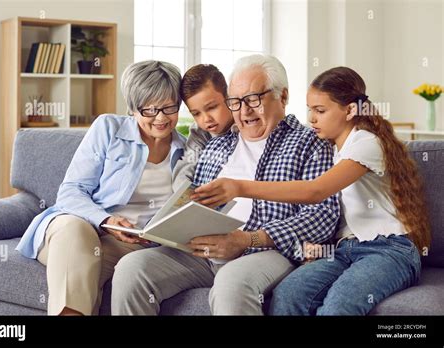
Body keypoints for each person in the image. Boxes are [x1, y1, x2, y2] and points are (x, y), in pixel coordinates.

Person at [110, 54, 340, 315]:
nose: (244, 111)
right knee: (132, 269)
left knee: (231, 284)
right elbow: (191, 193)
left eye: (254, 99)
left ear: (283, 97)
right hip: (203, 250)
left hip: (265, 251)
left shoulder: (310, 143)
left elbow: (322, 216)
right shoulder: (217, 143)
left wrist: (246, 239)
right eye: (236, 102)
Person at [192, 66, 431, 315]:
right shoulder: (332, 147)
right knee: (289, 294)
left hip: (389, 250)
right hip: (344, 249)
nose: (311, 119)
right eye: (310, 110)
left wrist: (239, 187)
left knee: (340, 304)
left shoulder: (366, 143)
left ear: (350, 110)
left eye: (320, 110)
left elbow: (316, 192)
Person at [16, 60, 186, 316]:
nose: (161, 118)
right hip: (78, 227)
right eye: (149, 110)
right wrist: (106, 220)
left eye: (169, 107)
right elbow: (71, 191)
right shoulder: (109, 128)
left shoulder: (186, 149)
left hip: (135, 245)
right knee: (77, 234)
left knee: (85, 272)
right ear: (132, 109)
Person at [172, 64, 234, 191]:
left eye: (211, 107)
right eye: (196, 113)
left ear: (229, 97)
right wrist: (186, 194)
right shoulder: (199, 132)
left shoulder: (246, 125)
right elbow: (187, 164)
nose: (206, 119)